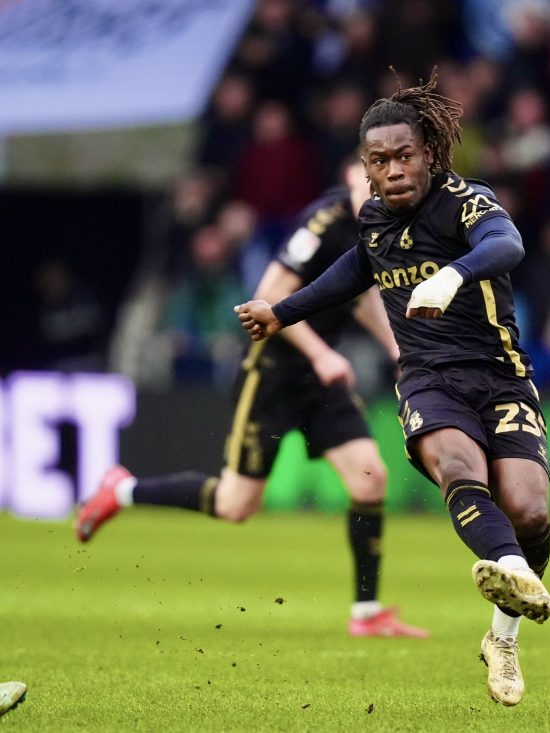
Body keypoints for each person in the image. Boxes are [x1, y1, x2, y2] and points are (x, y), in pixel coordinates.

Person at [234, 71, 550, 707]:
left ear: (430, 154)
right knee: (458, 465)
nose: (394, 170)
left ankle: (503, 635)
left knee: (530, 511)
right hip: (428, 380)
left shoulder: (468, 201)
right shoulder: (374, 220)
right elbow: (349, 273)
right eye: (379, 161)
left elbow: (507, 243)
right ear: (366, 169)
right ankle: (510, 568)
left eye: (405, 155)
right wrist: (280, 312)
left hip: (501, 376)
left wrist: (454, 275)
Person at [75, 163, 428, 640]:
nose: (374, 194)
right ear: (350, 174)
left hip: (319, 378)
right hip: (274, 372)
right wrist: (324, 354)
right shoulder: (321, 224)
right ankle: (121, 490)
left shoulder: (379, 225)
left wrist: (396, 347)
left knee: (370, 480)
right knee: (235, 504)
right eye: (366, 182)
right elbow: (268, 296)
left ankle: (366, 614)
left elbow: (360, 296)